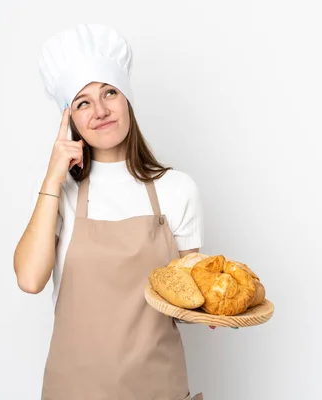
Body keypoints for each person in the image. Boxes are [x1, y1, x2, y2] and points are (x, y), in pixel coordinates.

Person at [13, 24, 206, 400]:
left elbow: (195, 297)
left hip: (158, 389)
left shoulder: (177, 190)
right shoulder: (62, 195)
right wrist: (52, 178)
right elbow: (30, 279)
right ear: (70, 121)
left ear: (127, 99)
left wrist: (217, 311)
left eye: (110, 93)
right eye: (83, 102)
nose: (100, 110)